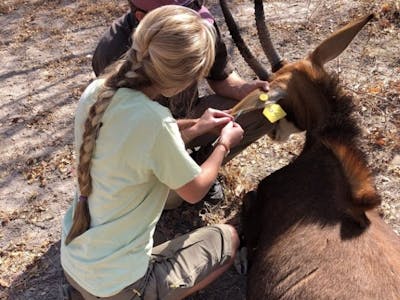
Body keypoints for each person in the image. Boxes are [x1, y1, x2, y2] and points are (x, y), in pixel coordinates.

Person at [61, 6, 242, 300]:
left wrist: (198, 125)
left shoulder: (97, 91)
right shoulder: (156, 122)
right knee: (227, 240)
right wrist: (224, 144)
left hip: (73, 265)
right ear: (183, 79)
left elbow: (144, 138)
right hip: (119, 288)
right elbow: (195, 190)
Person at [92, 0, 273, 207]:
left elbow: (221, 77)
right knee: (170, 199)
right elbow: (138, 138)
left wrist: (242, 91)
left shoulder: (197, 25)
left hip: (175, 125)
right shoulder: (111, 52)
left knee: (265, 110)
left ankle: (199, 164)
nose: (194, 77)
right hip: (143, 147)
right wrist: (222, 145)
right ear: (143, 18)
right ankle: (189, 174)